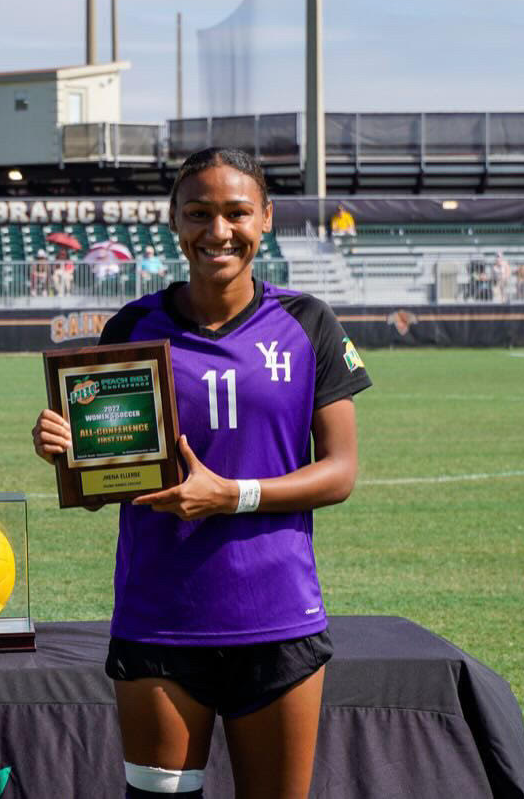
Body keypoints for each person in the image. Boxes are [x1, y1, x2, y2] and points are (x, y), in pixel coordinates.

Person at [32, 147, 371, 799]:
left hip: (277, 621)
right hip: (159, 621)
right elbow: (109, 485)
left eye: (237, 212)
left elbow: (340, 473)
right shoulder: (134, 326)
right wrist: (67, 451)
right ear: (174, 222)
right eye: (199, 213)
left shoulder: (308, 324)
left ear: (265, 218)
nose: (218, 231)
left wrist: (229, 496)